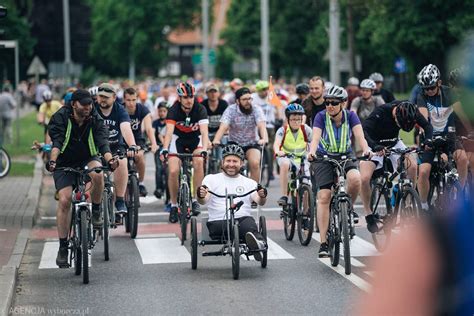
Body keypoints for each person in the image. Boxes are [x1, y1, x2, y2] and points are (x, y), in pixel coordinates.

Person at [47, 89, 118, 267]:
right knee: (64, 200)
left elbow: (103, 141)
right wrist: (53, 161)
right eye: (83, 104)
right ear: (74, 104)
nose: (87, 107)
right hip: (64, 161)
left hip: (88, 158)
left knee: (98, 173)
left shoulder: (95, 118)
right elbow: (56, 142)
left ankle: (95, 211)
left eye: (89, 104)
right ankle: (63, 247)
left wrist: (110, 160)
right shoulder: (60, 117)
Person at [307, 85, 371, 257]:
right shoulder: (321, 116)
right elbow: (315, 137)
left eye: (334, 103)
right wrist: (312, 152)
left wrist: (365, 149)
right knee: (324, 197)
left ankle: (347, 208)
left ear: (343, 103)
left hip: (345, 154)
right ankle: (323, 243)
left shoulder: (351, 116)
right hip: (324, 157)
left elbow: (360, 136)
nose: (329, 106)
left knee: (356, 179)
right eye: (327, 102)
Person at [359, 101, 433, 232]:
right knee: (364, 178)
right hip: (374, 144)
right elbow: (363, 131)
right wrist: (375, 146)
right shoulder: (381, 112)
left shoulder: (411, 110)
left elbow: (427, 126)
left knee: (413, 166)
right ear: (395, 115)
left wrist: (427, 140)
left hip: (394, 143)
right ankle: (368, 214)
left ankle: (409, 201)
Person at [197, 144, 268, 261]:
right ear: (222, 162)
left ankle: (257, 244)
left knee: (248, 224)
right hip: (218, 222)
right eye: (228, 161)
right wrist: (201, 195)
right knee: (243, 227)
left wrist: (262, 195)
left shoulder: (249, 182)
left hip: (243, 220)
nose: (231, 164)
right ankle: (253, 241)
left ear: (242, 163)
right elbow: (203, 201)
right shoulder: (211, 179)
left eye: (235, 161)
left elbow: (260, 201)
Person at [415, 64, 470, 212]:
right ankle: (424, 206)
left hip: (449, 136)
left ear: (439, 83)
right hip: (430, 137)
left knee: (463, 159)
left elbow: (461, 114)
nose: (429, 91)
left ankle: (460, 193)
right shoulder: (422, 96)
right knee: (424, 171)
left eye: (432, 87)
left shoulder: (449, 93)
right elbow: (423, 117)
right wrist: (426, 135)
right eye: (426, 88)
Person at [160, 82, 209, 223]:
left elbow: (204, 132)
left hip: (195, 139)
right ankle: (174, 205)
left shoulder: (200, 109)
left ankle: (195, 200)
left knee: (199, 162)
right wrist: (164, 148)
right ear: (179, 98)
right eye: (186, 97)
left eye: (191, 97)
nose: (189, 100)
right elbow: (169, 133)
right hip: (178, 140)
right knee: (174, 171)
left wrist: (204, 149)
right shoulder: (174, 110)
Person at [95, 83, 138, 217]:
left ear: (114, 97)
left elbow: (125, 128)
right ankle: (92, 206)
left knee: (123, 162)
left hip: (115, 146)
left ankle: (119, 200)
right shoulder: (92, 109)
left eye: (106, 97)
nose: (103, 99)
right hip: (97, 147)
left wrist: (132, 145)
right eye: (101, 96)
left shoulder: (120, 110)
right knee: (92, 171)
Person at [212, 87, 268, 183]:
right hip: (234, 143)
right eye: (244, 99)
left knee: (254, 163)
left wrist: (264, 138)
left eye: (250, 98)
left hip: (252, 143)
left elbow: (261, 126)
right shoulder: (231, 110)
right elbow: (223, 127)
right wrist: (216, 140)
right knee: (227, 165)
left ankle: (254, 191)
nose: (248, 101)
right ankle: (226, 188)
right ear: (237, 101)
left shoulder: (256, 109)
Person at [273, 103, 312, 206]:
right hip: (286, 157)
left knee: (307, 185)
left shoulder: (306, 129)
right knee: (285, 164)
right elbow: (277, 143)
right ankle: (284, 196)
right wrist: (278, 151)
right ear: (288, 119)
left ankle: (306, 213)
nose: (296, 122)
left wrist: (313, 153)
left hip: (302, 159)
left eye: (298, 119)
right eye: (293, 119)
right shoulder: (282, 130)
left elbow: (315, 142)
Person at [122, 87, 158, 197]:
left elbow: (148, 128)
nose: (131, 103)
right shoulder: (119, 109)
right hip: (121, 140)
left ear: (137, 99)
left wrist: (154, 143)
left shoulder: (142, 109)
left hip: (137, 140)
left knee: (140, 156)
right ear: (124, 99)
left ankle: (141, 183)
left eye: (133, 100)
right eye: (128, 100)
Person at [252, 80, 278, 180]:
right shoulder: (253, 98)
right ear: (258, 91)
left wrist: (279, 118)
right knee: (257, 146)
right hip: (257, 125)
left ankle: (270, 172)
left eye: (266, 89)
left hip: (270, 125)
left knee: (270, 149)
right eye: (262, 90)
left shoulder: (271, 96)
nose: (265, 92)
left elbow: (278, 107)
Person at [152, 102, 169, 203]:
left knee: (167, 169)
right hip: (158, 148)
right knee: (158, 168)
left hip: (168, 147)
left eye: (164, 111)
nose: (162, 113)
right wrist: (152, 143)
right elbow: (153, 132)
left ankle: (169, 192)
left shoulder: (169, 122)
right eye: (160, 111)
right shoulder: (155, 123)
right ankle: (159, 188)